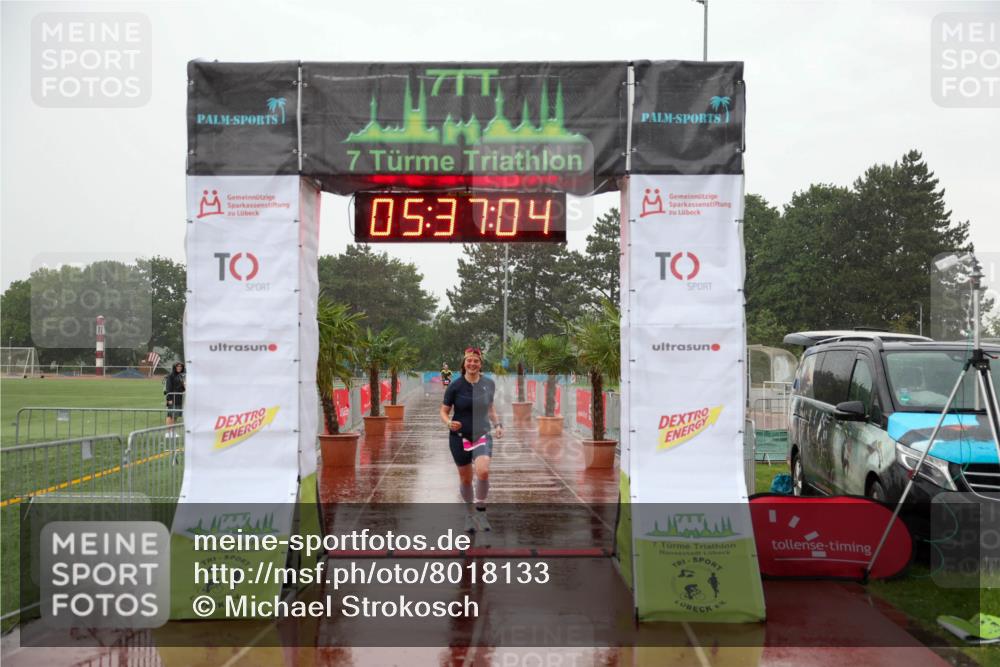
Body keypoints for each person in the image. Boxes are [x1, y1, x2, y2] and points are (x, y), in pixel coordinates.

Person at [439, 347, 503, 532]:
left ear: (480, 364)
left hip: (482, 433)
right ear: (464, 363)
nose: (472, 363)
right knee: (466, 480)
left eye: (476, 361)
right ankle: (469, 515)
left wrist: (498, 425)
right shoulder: (455, 386)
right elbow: (443, 411)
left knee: (483, 472)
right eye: (469, 360)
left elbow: (491, 408)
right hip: (459, 438)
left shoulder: (489, 384)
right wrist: (448, 422)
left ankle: (481, 513)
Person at [164, 362, 186, 437]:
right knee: (170, 415)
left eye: (181, 366)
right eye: (178, 366)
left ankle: (172, 431)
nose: (179, 367)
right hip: (171, 397)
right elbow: (168, 388)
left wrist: (184, 385)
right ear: (175, 367)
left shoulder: (181, 376)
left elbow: (182, 388)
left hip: (179, 398)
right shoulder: (171, 376)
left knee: (175, 415)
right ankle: (168, 432)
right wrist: (169, 399)